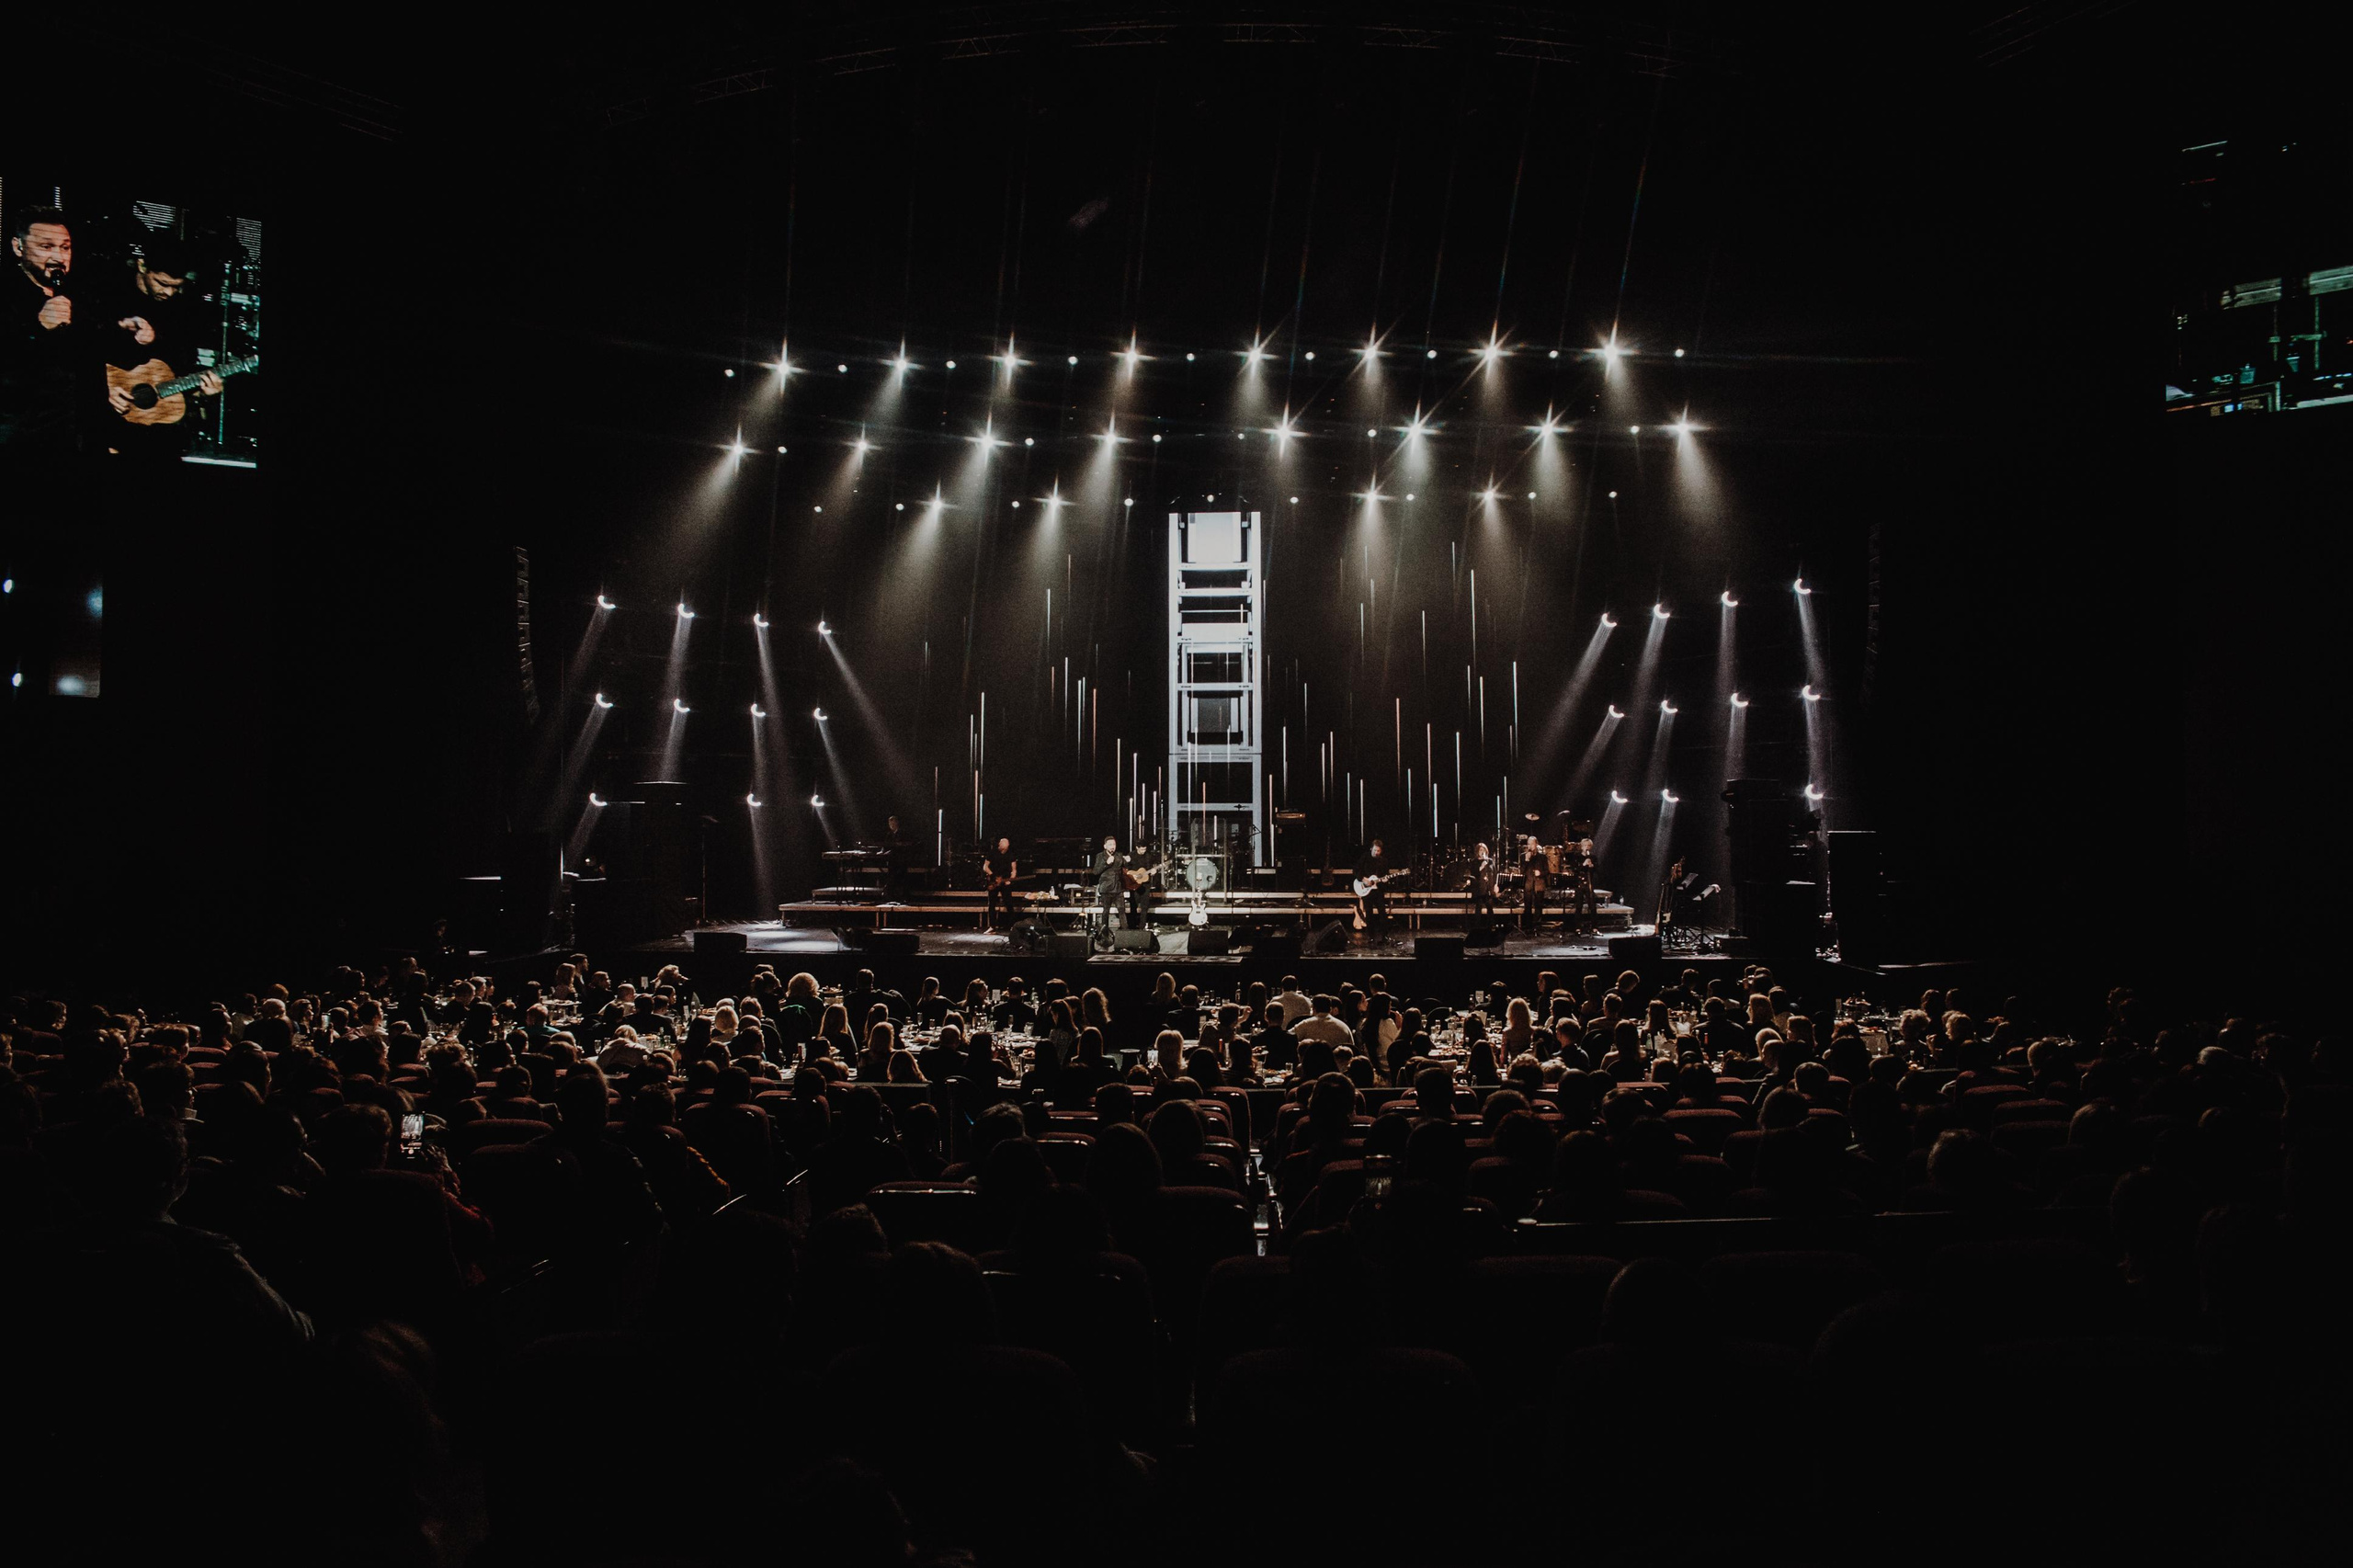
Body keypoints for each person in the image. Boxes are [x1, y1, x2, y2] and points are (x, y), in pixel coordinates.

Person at [1352, 837, 1396, 936]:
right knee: (1369, 913)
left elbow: (1386, 874)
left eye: (1378, 851)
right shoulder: (1365, 857)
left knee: (1382, 913)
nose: (1376, 853)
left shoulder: (1383, 861)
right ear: (1371, 849)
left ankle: (1384, 936)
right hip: (1366, 889)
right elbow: (1355, 870)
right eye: (1375, 850)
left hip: (1378, 890)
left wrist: (1385, 880)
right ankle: (1371, 936)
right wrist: (1363, 879)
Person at [981, 835, 1020, 928]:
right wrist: (992, 875)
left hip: (1005, 880)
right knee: (992, 904)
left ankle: (1012, 926)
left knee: (1009, 903)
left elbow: (1014, 869)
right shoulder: (992, 853)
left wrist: (1010, 879)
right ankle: (992, 926)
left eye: (1006, 847)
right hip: (994, 880)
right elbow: (985, 867)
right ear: (999, 845)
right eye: (1003, 846)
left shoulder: (1011, 854)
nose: (1004, 849)